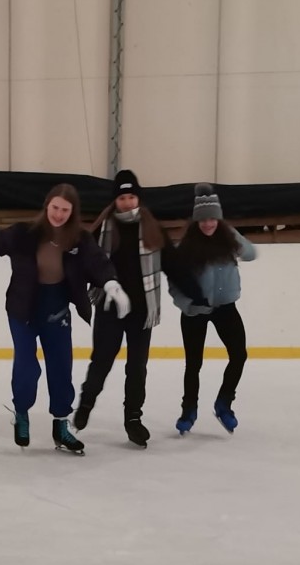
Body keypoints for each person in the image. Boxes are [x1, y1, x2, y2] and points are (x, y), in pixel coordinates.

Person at [0, 183, 131, 453]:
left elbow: (98, 262)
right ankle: (21, 412)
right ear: (47, 205)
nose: (58, 214)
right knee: (26, 368)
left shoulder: (80, 239)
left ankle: (61, 424)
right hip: (23, 308)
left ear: (72, 212)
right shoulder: (23, 234)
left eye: (65, 210)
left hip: (56, 308)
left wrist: (111, 284)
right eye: (55, 208)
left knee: (61, 368)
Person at [74, 170, 207, 448]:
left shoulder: (152, 228)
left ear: (138, 198)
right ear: (115, 200)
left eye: (132, 197)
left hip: (142, 311)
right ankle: (86, 404)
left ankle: (133, 419)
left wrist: (196, 294)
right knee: (102, 361)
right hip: (110, 307)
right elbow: (84, 263)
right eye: (122, 198)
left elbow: (174, 266)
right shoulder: (102, 229)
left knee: (137, 368)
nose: (127, 202)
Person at [168, 183, 257, 435]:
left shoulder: (228, 240)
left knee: (239, 355)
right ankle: (188, 410)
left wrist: (230, 232)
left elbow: (251, 253)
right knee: (193, 363)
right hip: (195, 311)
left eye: (213, 219)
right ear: (196, 221)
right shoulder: (186, 248)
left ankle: (224, 403)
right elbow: (174, 284)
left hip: (225, 307)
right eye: (203, 219)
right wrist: (189, 304)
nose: (208, 224)